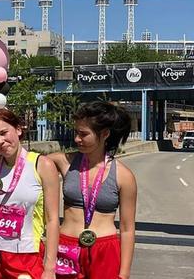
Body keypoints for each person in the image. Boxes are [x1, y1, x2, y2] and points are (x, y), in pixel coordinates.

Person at [48, 101, 137, 279]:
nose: (77, 139)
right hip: (67, 246)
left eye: (83, 134)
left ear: (104, 134)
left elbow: (127, 228)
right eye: (76, 133)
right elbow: (25, 162)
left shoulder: (124, 176)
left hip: (104, 250)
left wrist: (124, 273)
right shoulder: (64, 162)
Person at [0, 109, 60, 279]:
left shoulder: (42, 165)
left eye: (4, 133)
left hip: (26, 255)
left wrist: (50, 268)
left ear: (19, 129)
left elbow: (52, 220)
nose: (0, 141)